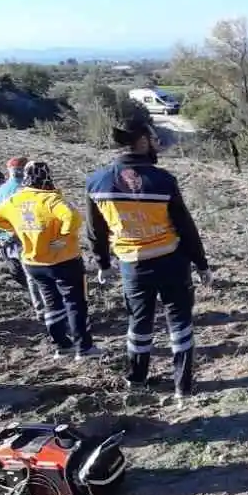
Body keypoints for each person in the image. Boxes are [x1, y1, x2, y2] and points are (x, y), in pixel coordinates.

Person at [86, 118, 211, 401]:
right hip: (171, 261)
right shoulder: (163, 180)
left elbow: (96, 230)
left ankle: (137, 380)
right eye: (152, 139)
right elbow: (185, 226)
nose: (155, 144)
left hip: (133, 265)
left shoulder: (97, 182)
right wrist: (201, 263)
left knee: (139, 324)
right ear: (141, 141)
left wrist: (103, 263)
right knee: (179, 323)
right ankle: (183, 387)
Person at [0, 161, 100, 360]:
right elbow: (73, 218)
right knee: (74, 303)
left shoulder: (15, 200)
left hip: (33, 262)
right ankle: (84, 348)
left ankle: (62, 346)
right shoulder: (51, 199)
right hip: (64, 260)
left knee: (51, 304)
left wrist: (17, 231)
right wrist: (62, 239)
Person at [0, 157, 47, 317]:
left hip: (11, 240)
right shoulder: (29, 188)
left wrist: (3, 236)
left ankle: (40, 308)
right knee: (41, 272)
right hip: (31, 236)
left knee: (29, 274)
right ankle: (48, 306)